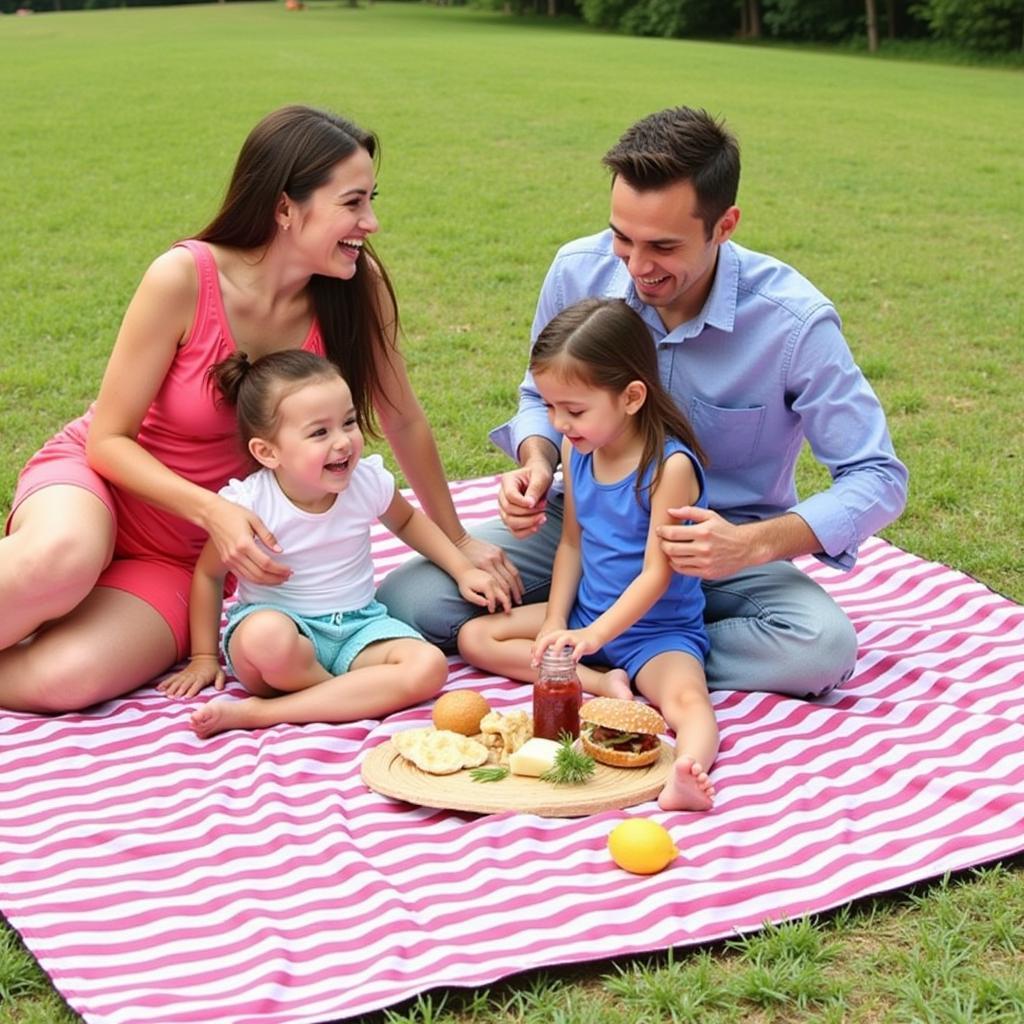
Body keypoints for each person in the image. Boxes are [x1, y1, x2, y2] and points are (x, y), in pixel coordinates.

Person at [0, 104, 519, 714]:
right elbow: (108, 441)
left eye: (371, 199)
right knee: (62, 561)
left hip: (184, 556)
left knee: (69, 678)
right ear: (284, 208)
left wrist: (457, 541)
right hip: (101, 488)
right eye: (352, 203)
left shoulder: (355, 289)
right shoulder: (183, 277)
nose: (371, 222)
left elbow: (402, 418)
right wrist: (213, 511)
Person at [379, 105, 909, 699]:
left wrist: (750, 545)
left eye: (662, 246)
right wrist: (538, 461)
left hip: (722, 551)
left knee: (821, 648)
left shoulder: (794, 323)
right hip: (586, 530)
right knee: (410, 603)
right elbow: (539, 395)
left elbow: (876, 476)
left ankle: (650, 651)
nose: (635, 266)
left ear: (725, 225)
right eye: (622, 238)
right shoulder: (577, 271)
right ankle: (619, 646)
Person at [159, 351, 508, 736]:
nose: (343, 442)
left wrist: (461, 569)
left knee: (429, 666)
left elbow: (408, 520)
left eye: (349, 422)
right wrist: (205, 656)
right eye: (319, 432)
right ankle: (350, 695)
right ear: (267, 452)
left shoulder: (364, 482)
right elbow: (209, 575)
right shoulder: (251, 504)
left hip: (358, 628)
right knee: (267, 639)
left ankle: (266, 712)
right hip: (282, 637)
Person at [458, 299, 717, 811]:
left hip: (655, 632)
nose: (559, 422)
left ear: (632, 396)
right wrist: (558, 621)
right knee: (475, 635)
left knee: (688, 703)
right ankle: (602, 683)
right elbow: (572, 543)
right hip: (585, 618)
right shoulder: (578, 449)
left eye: (573, 410)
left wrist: (594, 635)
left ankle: (689, 773)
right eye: (551, 408)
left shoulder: (669, 468)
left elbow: (655, 575)